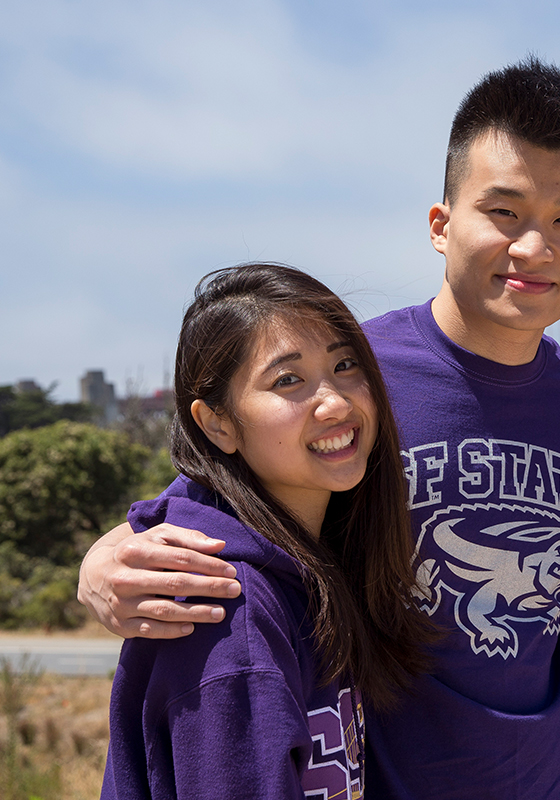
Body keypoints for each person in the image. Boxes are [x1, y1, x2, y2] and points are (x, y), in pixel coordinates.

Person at [80, 58, 560, 800]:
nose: (534, 247)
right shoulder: (351, 382)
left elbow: (558, 618)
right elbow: (216, 505)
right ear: (441, 226)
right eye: (504, 212)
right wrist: (103, 560)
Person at [101, 263, 433, 798]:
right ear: (218, 424)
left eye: (346, 365)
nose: (337, 402)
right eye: (288, 380)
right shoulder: (231, 611)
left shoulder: (314, 563)